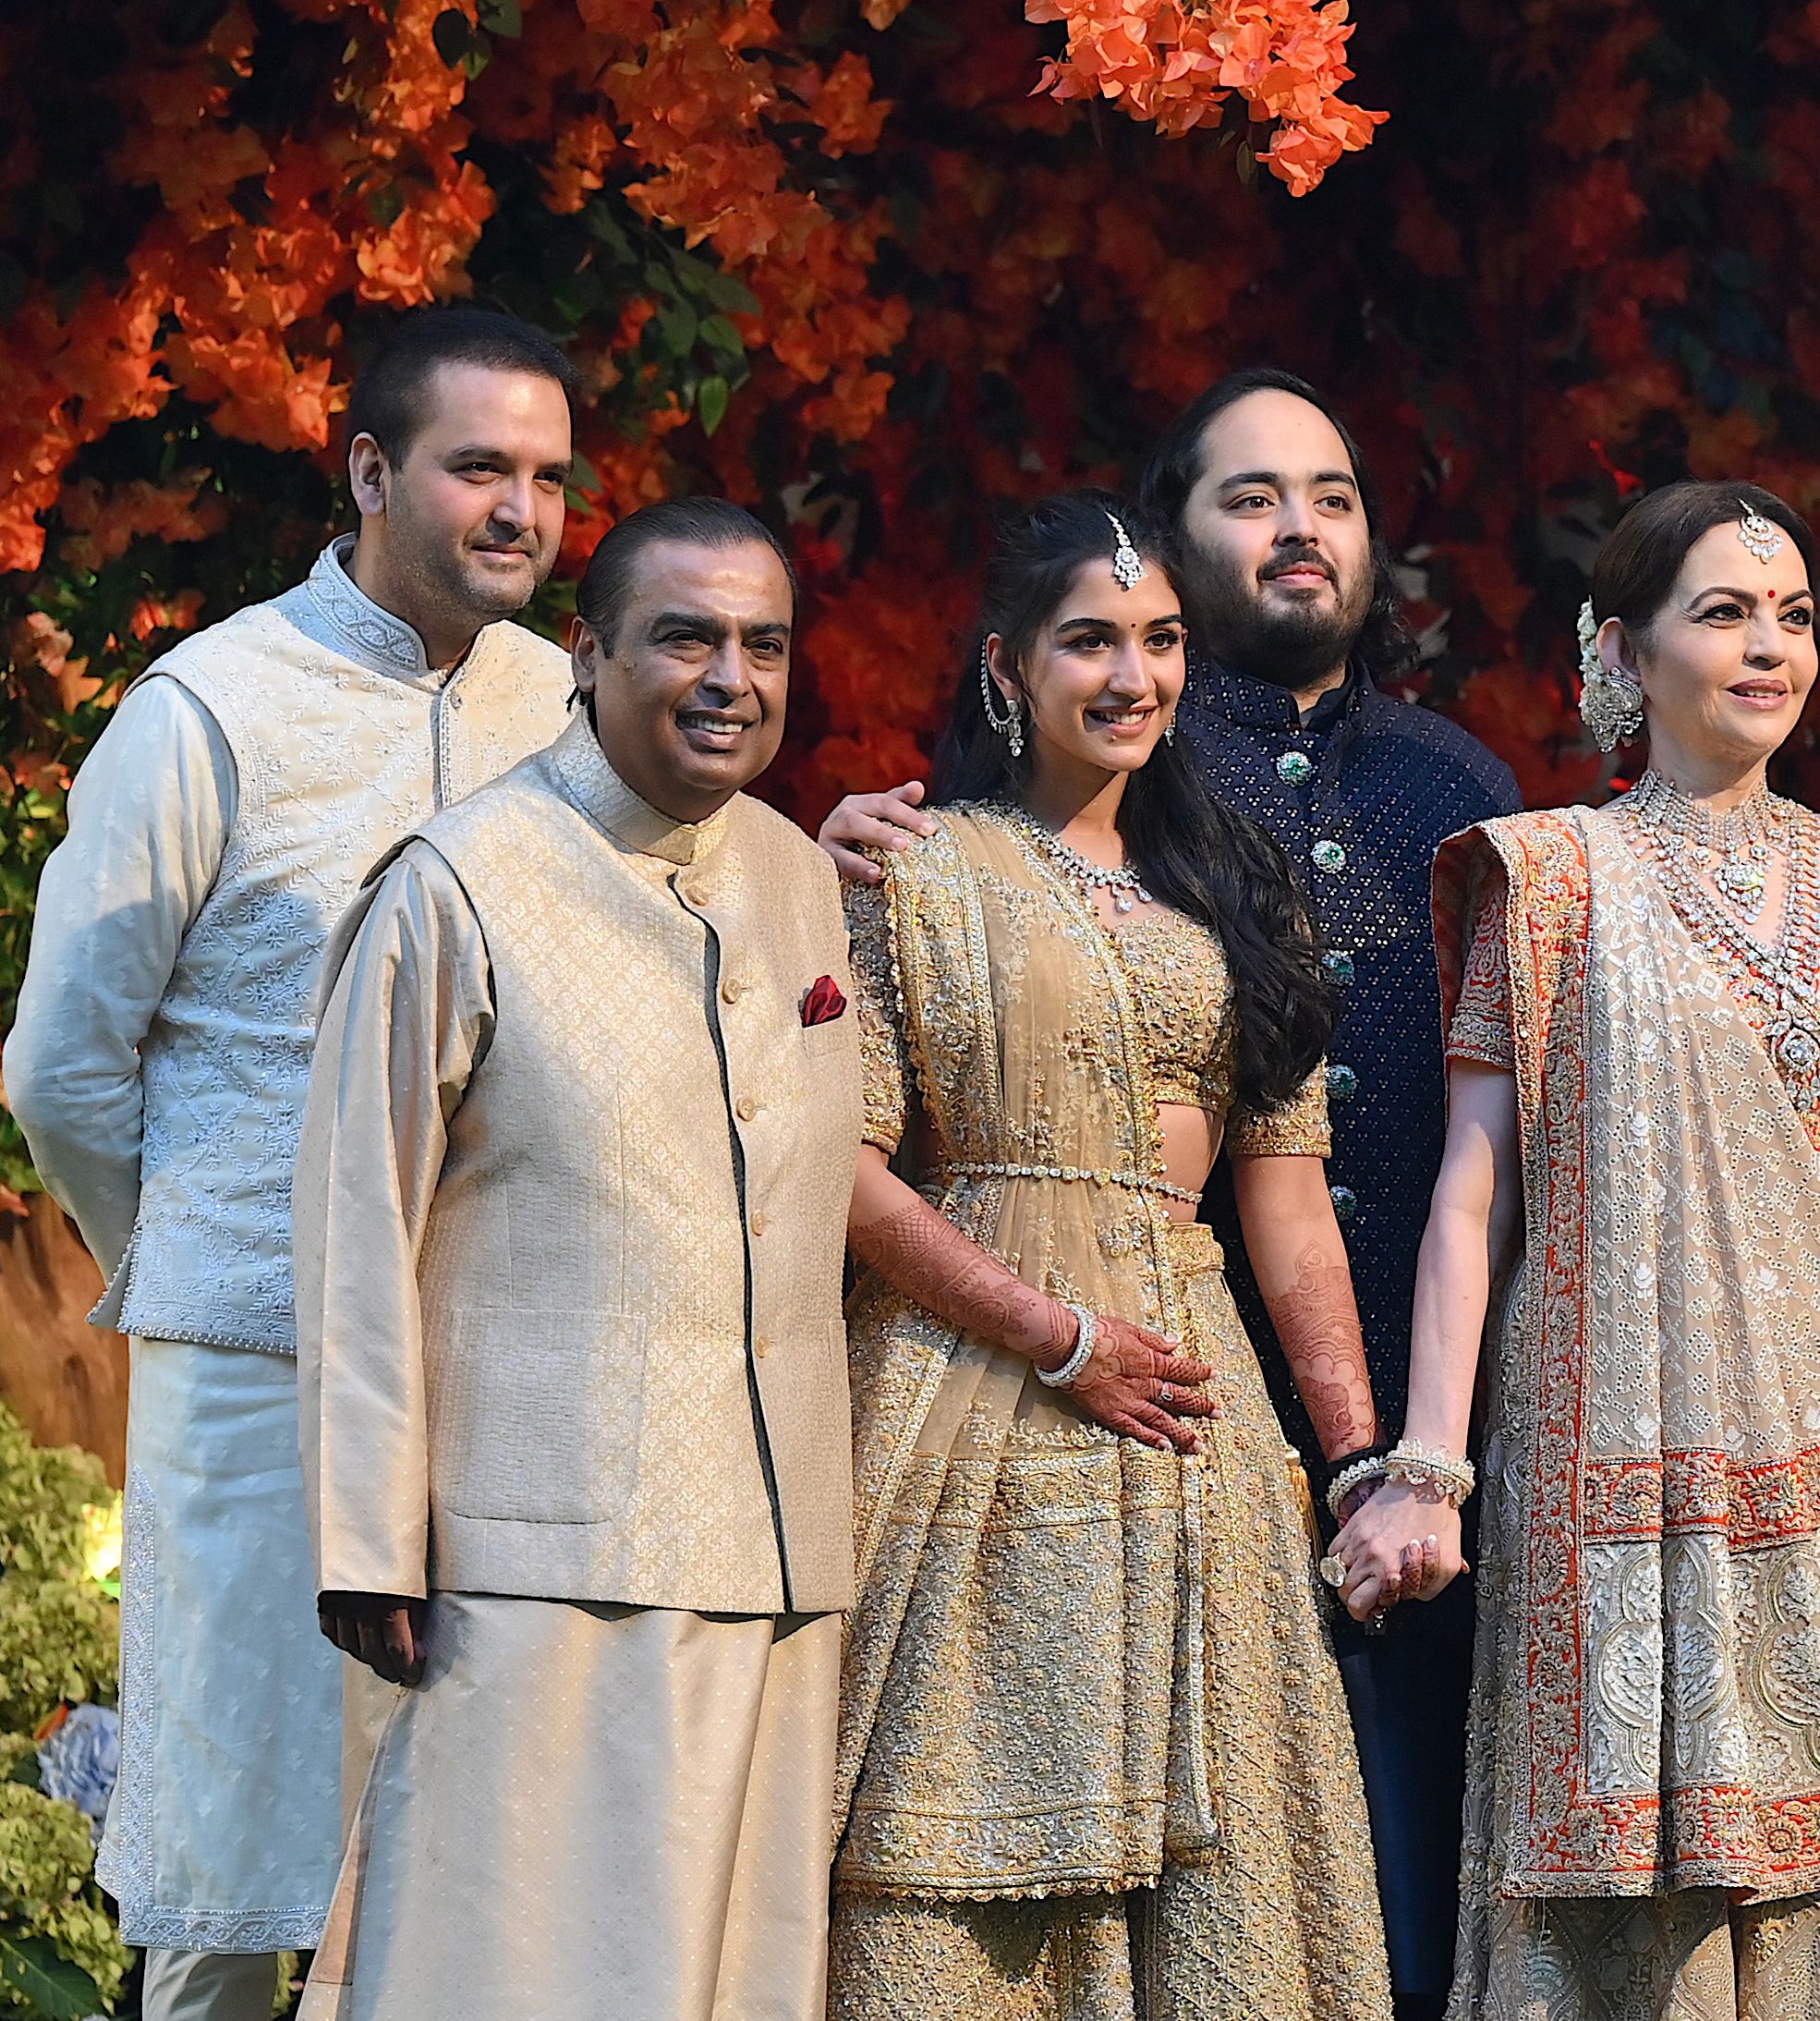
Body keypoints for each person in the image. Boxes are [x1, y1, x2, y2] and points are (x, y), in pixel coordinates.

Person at [822, 370, 1517, 2018]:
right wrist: (1051, 1334)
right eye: (1090, 641)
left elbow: (1287, 1198)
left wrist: (1360, 1455)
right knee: (956, 1847)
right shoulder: (907, 870)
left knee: (1244, 1872)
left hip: (1217, 1428)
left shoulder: (1266, 874)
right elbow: (833, 1163)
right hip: (969, 1399)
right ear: (1009, 667)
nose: (1131, 676)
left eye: (1156, 643)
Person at [1328, 481, 1820, 2017]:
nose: (1770, 648)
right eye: (1725, 613)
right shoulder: (1547, 879)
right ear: (1622, 649)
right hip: (1605, 1480)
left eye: (1795, 618)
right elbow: (1473, 1197)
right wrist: (1427, 1465)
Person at [2, 306, 576, 2021]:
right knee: (236, 1856)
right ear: (371, 472)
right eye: (479, 467)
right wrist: (201, 1253)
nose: (521, 511)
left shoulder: (561, 701)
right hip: (260, 1356)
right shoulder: (213, 707)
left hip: (505, 1362)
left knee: (482, 1850)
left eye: (549, 477)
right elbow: (61, 1063)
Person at [295, 499, 858, 2021]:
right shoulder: (460, 879)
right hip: (529, 1557)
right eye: (685, 637)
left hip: (780, 1547)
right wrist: (366, 1537)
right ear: (585, 651)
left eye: (763, 644)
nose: (730, 678)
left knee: (736, 1985)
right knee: (499, 1973)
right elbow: (356, 1216)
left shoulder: (800, 876)